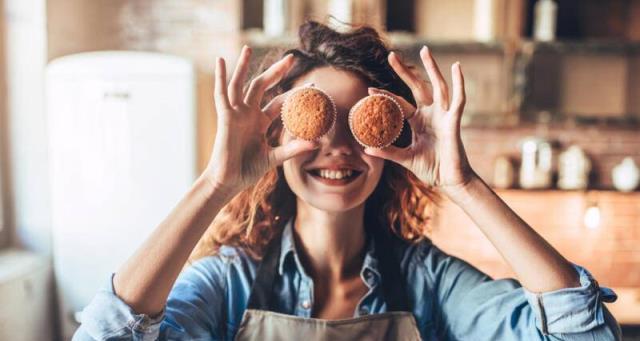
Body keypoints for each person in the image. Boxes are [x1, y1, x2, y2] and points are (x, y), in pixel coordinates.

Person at [74, 21, 621, 340]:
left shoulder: (429, 284)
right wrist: (217, 183)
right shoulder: (227, 286)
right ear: (276, 138)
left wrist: (462, 182)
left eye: (358, 123)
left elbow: (585, 335)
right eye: (318, 121)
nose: (336, 146)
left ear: (388, 147)